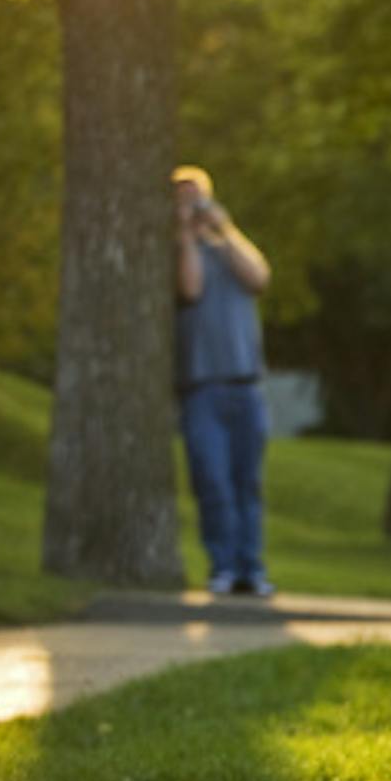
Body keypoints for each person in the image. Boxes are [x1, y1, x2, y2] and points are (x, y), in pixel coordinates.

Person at [172, 166, 274, 597]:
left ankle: (252, 568)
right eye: (183, 199)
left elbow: (259, 277)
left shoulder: (230, 250)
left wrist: (224, 227)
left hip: (246, 386)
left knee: (247, 482)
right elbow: (190, 290)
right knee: (212, 480)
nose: (193, 207)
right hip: (201, 388)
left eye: (198, 198)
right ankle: (224, 566)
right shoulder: (177, 255)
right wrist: (185, 235)